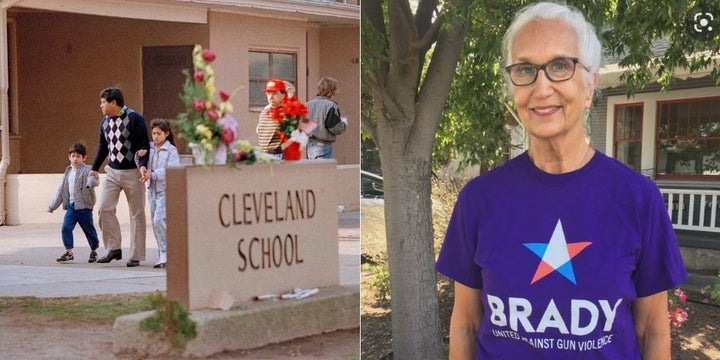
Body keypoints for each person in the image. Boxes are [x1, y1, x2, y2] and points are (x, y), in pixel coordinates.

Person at [435, 3, 687, 359]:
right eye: (525, 69)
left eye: (559, 66)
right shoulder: (478, 200)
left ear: (589, 85)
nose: (541, 87)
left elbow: (652, 332)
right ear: (513, 88)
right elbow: (465, 324)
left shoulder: (638, 199)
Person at [90, 87, 150, 267]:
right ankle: (113, 248)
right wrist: (94, 168)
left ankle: (136, 254)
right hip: (112, 172)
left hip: (133, 172)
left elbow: (143, 144)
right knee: (104, 208)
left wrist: (143, 167)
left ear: (113, 103)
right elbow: (102, 146)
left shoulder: (135, 118)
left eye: (103, 102)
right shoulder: (105, 122)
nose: (100, 105)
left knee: (137, 213)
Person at [136, 118, 179, 269]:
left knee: (158, 220)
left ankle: (174, 249)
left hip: (166, 190)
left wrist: (152, 175)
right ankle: (163, 254)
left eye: (159, 133)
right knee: (155, 223)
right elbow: (142, 163)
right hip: (152, 190)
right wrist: (139, 160)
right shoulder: (150, 147)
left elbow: (171, 170)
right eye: (153, 133)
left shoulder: (171, 151)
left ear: (166, 134)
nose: (155, 136)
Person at [48, 142, 101, 263]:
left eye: (78, 156)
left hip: (84, 207)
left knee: (89, 230)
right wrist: (52, 206)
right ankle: (69, 252)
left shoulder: (88, 169)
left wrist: (91, 181)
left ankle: (94, 250)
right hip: (71, 206)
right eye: (73, 156)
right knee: (66, 228)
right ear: (69, 157)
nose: (75, 159)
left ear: (84, 157)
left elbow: (94, 180)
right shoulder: (67, 172)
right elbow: (61, 190)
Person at [305, 76, 347, 159]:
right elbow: (335, 128)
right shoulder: (331, 106)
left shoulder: (307, 105)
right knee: (323, 171)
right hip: (322, 145)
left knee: (313, 171)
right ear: (333, 90)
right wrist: (344, 123)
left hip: (310, 146)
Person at [256, 78, 287, 158]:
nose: (271, 96)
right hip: (262, 154)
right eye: (268, 93)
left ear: (283, 95)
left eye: (274, 93)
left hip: (277, 155)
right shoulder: (264, 112)